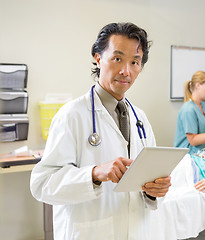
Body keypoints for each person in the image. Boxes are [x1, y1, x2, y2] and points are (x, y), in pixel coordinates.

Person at [30, 22, 171, 240]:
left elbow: (147, 183)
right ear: (98, 58)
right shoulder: (71, 115)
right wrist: (94, 174)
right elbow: (42, 184)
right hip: (90, 232)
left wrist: (154, 191)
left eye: (135, 62)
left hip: (137, 231)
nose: (126, 71)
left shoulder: (140, 118)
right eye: (117, 59)